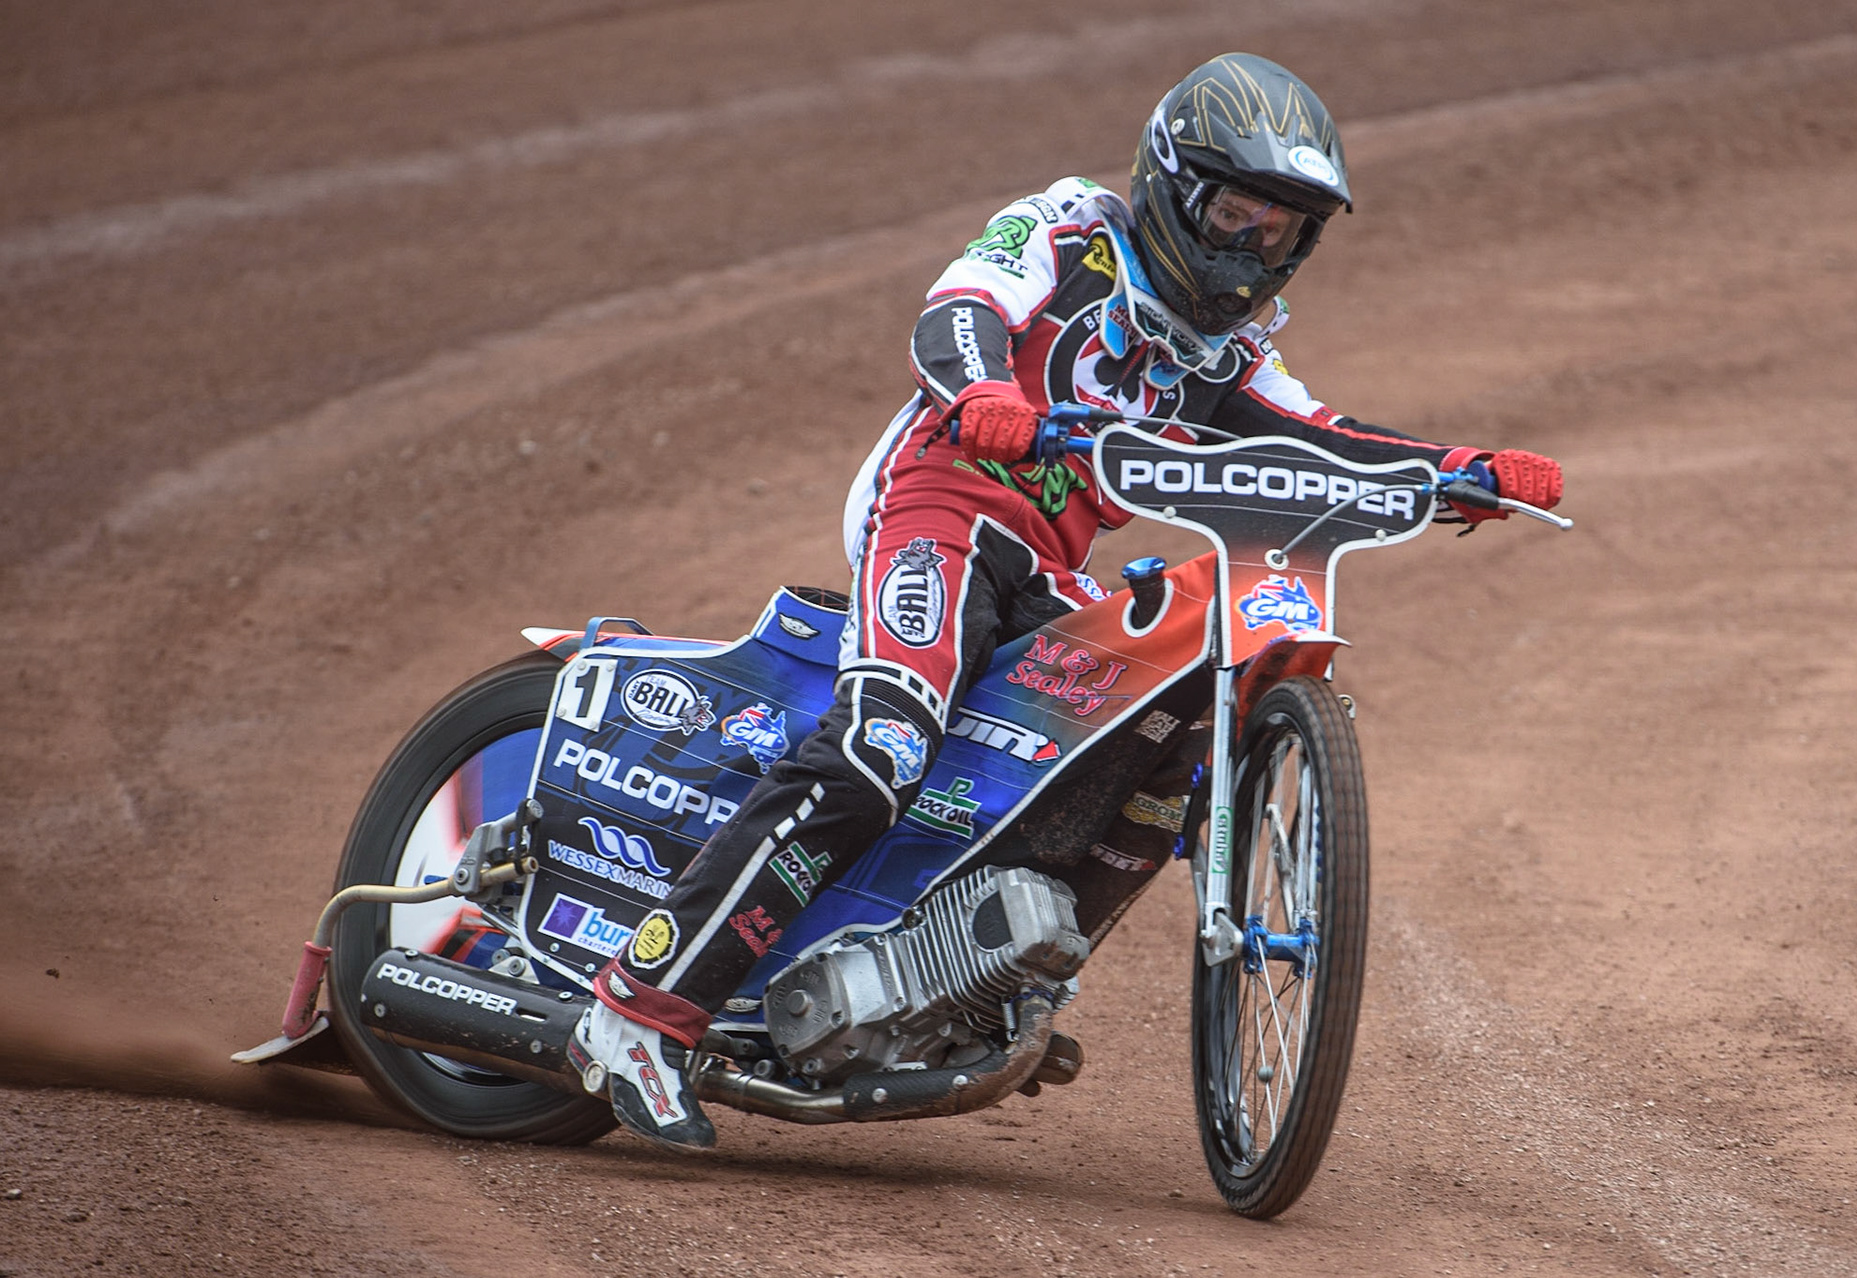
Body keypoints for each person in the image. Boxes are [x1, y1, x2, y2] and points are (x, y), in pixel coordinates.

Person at [568, 51, 1564, 1150]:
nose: (1252, 245)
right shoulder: (1068, 228)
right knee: (882, 747)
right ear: (1174, 183)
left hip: (1044, 570)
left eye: (1280, 229)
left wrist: (1463, 467)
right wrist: (988, 393)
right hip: (941, 510)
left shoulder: (1229, 352)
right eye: (1237, 209)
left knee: (1152, 732)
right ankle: (637, 1012)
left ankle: (977, 979)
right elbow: (953, 314)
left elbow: (1322, 438)